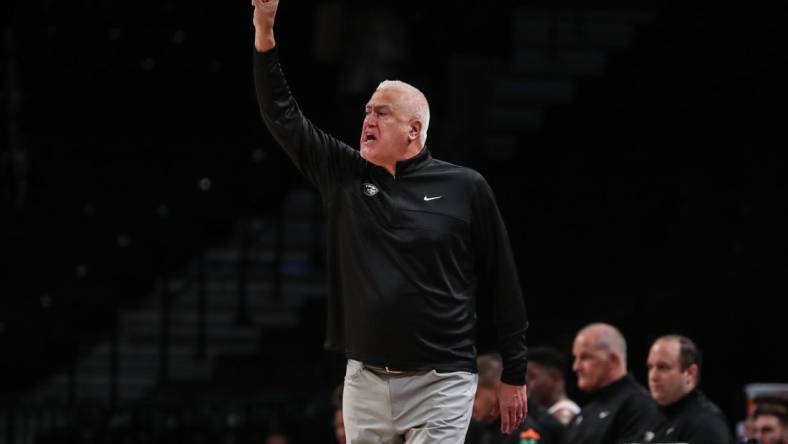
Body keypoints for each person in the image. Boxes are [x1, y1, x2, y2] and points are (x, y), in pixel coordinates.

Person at [250, 1, 529, 442]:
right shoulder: (345, 176)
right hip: (366, 381)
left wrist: (515, 371)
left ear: (414, 130)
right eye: (366, 111)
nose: (367, 120)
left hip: (443, 379)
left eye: (382, 113)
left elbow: (503, 282)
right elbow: (283, 118)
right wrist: (264, 31)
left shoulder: (465, 187)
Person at [564, 323, 661, 444]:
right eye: (575, 358)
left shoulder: (639, 407)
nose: (576, 367)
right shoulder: (585, 413)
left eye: (585, 357)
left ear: (613, 360)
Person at [646, 334, 735, 443]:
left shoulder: (706, 425)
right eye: (650, 367)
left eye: (663, 367)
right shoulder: (647, 418)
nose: (653, 376)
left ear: (690, 373)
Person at [466, 353, 564, 444]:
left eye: (475, 396)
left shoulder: (526, 433)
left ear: (498, 391)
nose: (469, 404)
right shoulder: (476, 429)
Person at [527, 346, 580, 425]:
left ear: (555, 378)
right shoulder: (547, 413)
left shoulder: (564, 413)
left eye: (532, 377)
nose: (527, 384)